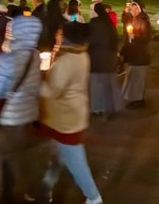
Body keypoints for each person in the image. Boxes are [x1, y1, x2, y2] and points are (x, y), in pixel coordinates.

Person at [38, 20, 105, 204]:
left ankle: (93, 197)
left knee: (76, 162)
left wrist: (37, 82)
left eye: (60, 34)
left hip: (65, 120)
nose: (57, 36)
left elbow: (52, 91)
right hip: (70, 115)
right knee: (57, 155)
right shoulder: (80, 54)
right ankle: (45, 188)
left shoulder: (67, 61)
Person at [0, 14, 45, 203]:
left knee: (12, 156)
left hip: (11, 117)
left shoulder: (7, 60)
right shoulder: (34, 56)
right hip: (30, 112)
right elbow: (35, 86)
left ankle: (15, 193)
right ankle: (26, 190)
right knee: (22, 154)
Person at [88, 3, 122, 117]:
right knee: (109, 83)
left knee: (96, 83)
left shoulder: (93, 23)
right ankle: (112, 105)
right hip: (109, 57)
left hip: (96, 56)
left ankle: (97, 107)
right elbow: (115, 39)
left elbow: (89, 38)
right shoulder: (109, 24)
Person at [119, 2, 152, 108]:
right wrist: (125, 10)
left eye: (135, 10)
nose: (133, 12)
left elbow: (146, 38)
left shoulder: (143, 20)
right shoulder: (132, 18)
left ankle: (138, 100)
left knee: (138, 78)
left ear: (139, 9)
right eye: (131, 10)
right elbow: (124, 20)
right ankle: (134, 98)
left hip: (141, 54)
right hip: (134, 54)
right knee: (133, 77)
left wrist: (135, 37)